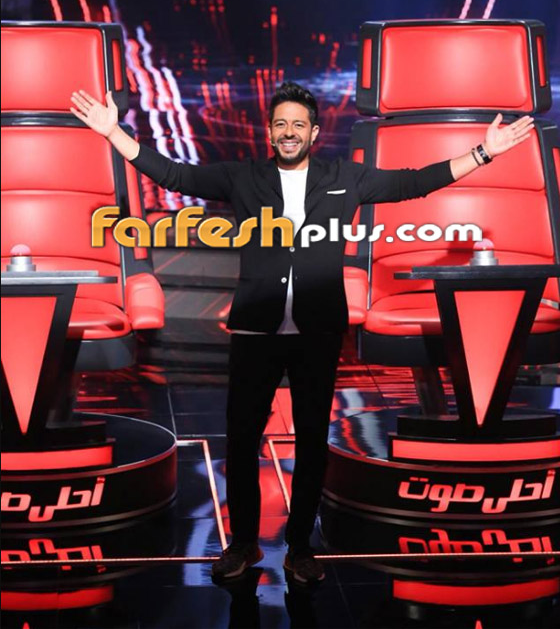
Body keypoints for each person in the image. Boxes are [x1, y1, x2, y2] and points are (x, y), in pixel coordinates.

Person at [70, 82, 534, 584]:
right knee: (242, 440)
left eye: (298, 124)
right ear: (269, 132)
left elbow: (414, 183)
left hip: (317, 330)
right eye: (280, 124)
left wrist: (484, 152)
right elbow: (173, 173)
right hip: (256, 329)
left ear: (314, 133)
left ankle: (299, 547)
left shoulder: (344, 177)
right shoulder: (244, 176)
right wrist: (113, 132)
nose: (288, 132)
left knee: (312, 441)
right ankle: (242, 543)